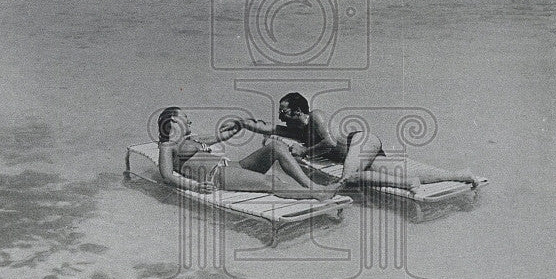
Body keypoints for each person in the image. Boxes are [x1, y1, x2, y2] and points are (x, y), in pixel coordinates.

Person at [222, 93, 480, 193]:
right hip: (355, 154)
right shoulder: (294, 129)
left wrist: (304, 150)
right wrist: (242, 123)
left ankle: (407, 185)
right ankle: (461, 175)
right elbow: (264, 126)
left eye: (284, 111)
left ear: (299, 110)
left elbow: (329, 142)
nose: (280, 116)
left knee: (349, 178)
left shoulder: (316, 117)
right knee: (393, 169)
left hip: (362, 141)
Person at [156, 107, 339, 200]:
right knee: (271, 182)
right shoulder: (167, 146)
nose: (189, 121)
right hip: (218, 176)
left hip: (232, 167)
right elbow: (166, 175)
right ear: (173, 120)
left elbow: (220, 136)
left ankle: (311, 186)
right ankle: (318, 195)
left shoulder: (191, 140)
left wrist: (238, 125)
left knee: (275, 146)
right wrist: (195, 186)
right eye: (185, 118)